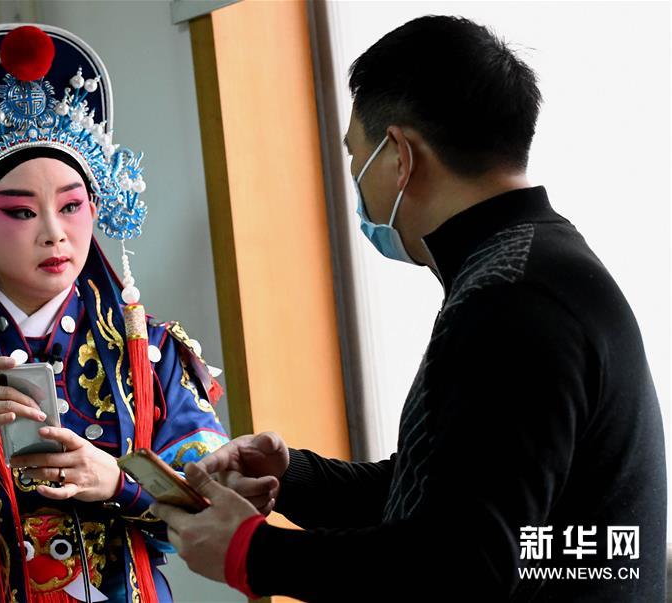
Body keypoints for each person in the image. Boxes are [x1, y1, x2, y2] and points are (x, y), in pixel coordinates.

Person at [152, 15, 667, 602]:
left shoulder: (512, 304)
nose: (357, 180)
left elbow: (461, 563)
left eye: (355, 157)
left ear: (399, 155)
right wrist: (293, 477)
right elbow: (443, 492)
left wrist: (252, 553)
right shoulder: (531, 267)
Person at [0, 25, 228, 603]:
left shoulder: (150, 355)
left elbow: (216, 513)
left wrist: (117, 483)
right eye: (22, 212)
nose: (55, 233)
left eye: (72, 205)